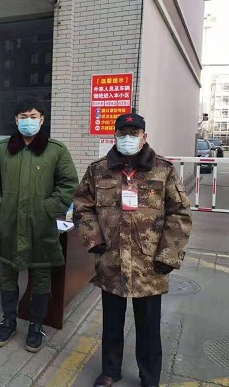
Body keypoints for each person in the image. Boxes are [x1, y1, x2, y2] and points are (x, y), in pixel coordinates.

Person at [73, 113, 192, 387]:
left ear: (144, 137)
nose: (128, 138)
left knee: (148, 327)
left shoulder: (163, 170)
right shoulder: (98, 170)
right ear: (115, 137)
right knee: (111, 323)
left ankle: (149, 377)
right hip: (111, 259)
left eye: (134, 133)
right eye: (123, 133)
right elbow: (82, 206)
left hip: (149, 264)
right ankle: (110, 371)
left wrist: (168, 255)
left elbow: (180, 213)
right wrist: (94, 240)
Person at [0, 100, 78, 353]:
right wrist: (0, 205)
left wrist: (48, 209)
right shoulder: (3, 149)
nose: (28, 120)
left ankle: (36, 325)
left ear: (42, 119)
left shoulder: (56, 150)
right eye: (23, 116)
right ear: (16, 120)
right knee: (7, 275)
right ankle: (8, 320)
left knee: (41, 278)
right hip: (8, 227)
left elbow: (68, 184)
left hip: (41, 228)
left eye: (33, 116)